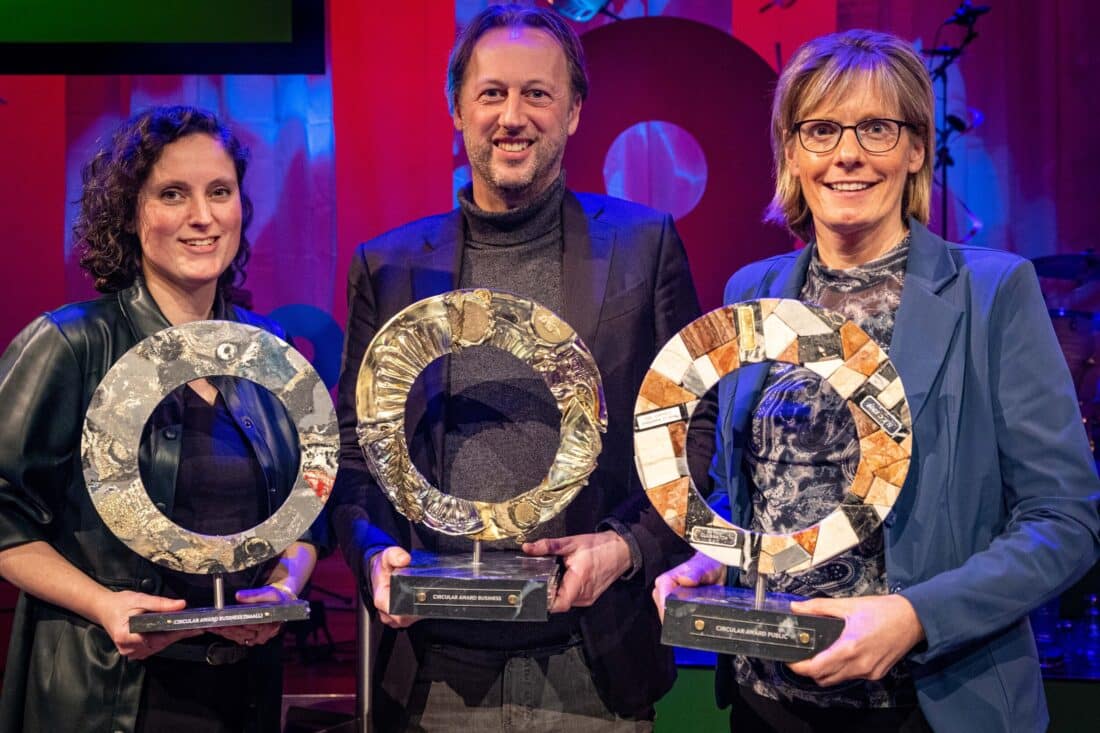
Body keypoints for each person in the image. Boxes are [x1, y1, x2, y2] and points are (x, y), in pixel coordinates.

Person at [654, 29, 1100, 733]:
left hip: (926, 705)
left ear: (916, 148)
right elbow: (755, 487)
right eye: (821, 130)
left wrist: (916, 615)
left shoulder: (993, 293)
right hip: (766, 702)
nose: (848, 154)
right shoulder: (752, 289)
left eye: (877, 128)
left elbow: (1064, 521)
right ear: (792, 152)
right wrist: (716, 553)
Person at [329, 4, 706, 731]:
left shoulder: (645, 244)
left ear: (573, 111)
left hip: (593, 661)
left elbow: (694, 435)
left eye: (537, 93)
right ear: (457, 109)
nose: (513, 116)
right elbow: (354, 451)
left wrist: (626, 549)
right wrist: (372, 554)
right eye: (492, 93)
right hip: (433, 667)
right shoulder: (388, 266)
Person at [0, 105, 321, 733]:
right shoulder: (71, 343)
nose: (202, 216)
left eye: (219, 192)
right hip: (108, 695)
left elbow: (311, 510)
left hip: (242, 696)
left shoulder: (270, 351)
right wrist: (103, 603)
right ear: (130, 213)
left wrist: (283, 590)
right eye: (173, 194)